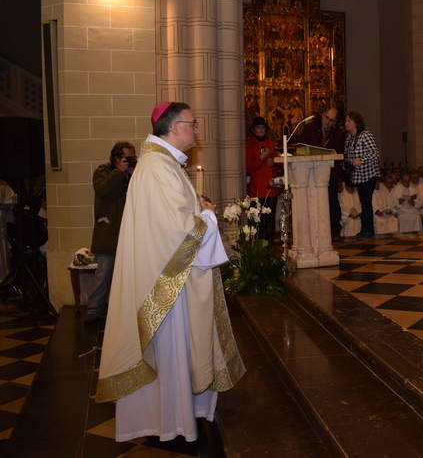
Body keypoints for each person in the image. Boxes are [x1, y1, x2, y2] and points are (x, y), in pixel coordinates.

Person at [97, 102, 245, 442]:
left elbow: (173, 216)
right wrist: (206, 215)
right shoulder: (157, 167)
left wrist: (198, 209)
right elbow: (177, 230)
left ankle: (182, 415)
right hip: (166, 288)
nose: (196, 131)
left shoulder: (161, 164)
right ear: (175, 126)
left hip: (170, 279)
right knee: (172, 353)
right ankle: (170, 421)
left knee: (179, 354)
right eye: (193, 124)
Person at [87, 142, 136, 323]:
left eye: (132, 157)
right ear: (116, 158)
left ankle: (126, 312)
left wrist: (132, 176)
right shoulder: (103, 172)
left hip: (128, 233)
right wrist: (119, 172)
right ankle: (94, 311)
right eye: (127, 158)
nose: (130, 161)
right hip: (107, 233)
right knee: (103, 275)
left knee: (129, 277)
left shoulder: (132, 175)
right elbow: (103, 190)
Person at [296, 106, 346, 239]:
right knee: (313, 204)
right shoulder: (310, 128)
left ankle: (333, 232)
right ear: (322, 115)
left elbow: (339, 155)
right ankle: (315, 231)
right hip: (311, 174)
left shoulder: (338, 134)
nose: (328, 122)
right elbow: (301, 147)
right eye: (326, 118)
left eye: (332, 121)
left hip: (331, 174)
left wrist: (340, 179)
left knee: (332, 203)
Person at [344, 111, 381, 238]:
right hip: (358, 176)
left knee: (366, 202)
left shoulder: (366, 135)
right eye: (346, 121)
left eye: (348, 121)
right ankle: (365, 229)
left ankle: (368, 230)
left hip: (369, 174)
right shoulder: (350, 137)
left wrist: (361, 160)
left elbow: (375, 153)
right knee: (363, 202)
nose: (346, 123)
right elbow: (348, 155)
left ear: (355, 122)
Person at [245, 117, 279, 239]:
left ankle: (269, 246)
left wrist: (273, 162)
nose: (261, 130)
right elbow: (248, 168)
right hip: (257, 189)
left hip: (271, 189)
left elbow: (276, 164)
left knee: (270, 221)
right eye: (258, 127)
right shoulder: (250, 144)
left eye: (263, 127)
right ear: (254, 130)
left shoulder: (270, 143)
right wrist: (261, 158)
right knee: (258, 222)